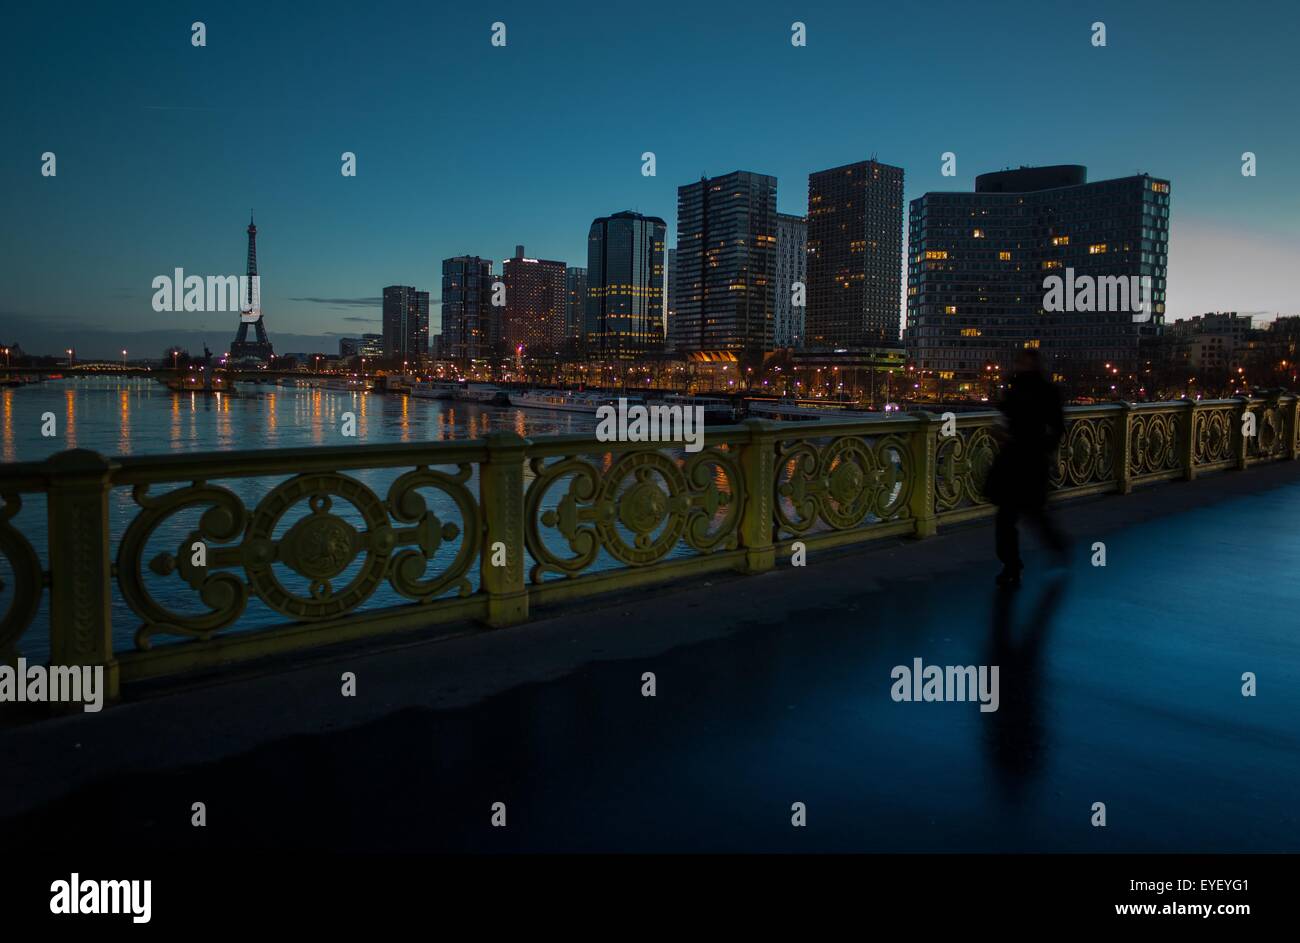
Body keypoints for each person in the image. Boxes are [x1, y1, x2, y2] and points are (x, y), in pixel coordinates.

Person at [984, 348, 1069, 587]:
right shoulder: (1013, 388)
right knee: (1009, 517)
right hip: (1014, 460)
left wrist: (1041, 448)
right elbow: (1005, 417)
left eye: (1025, 362)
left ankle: (1053, 550)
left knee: (1031, 515)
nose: (1021, 365)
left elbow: (1057, 426)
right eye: (1019, 361)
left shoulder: (1044, 391)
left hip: (1029, 460)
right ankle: (1012, 565)